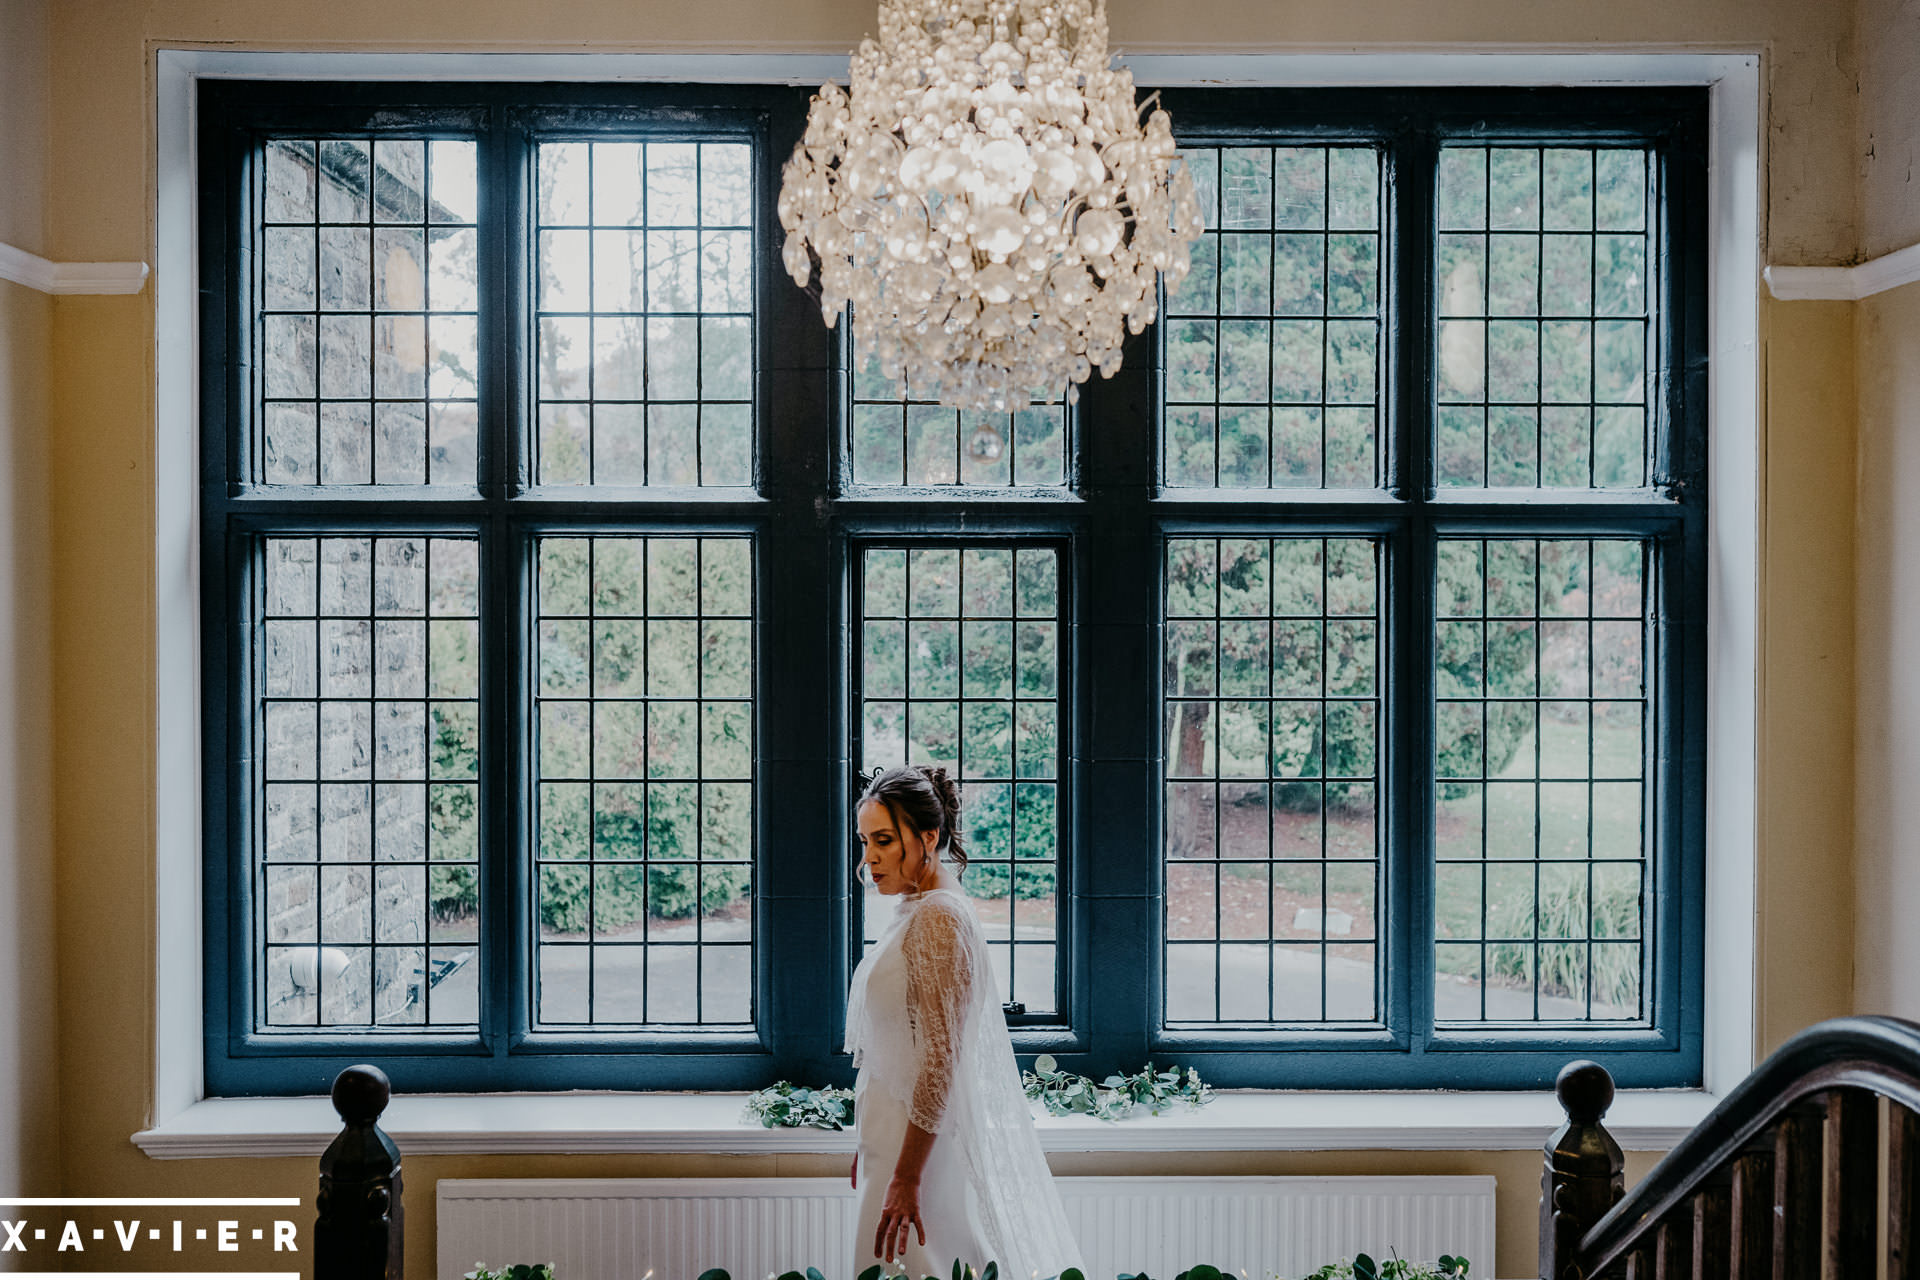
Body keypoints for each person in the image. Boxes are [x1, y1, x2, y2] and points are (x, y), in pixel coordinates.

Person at [844, 765, 1085, 1280]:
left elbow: (940, 1061)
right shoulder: (914, 907)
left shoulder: (939, 918)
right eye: (865, 841)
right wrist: (871, 1143)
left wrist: (907, 1177)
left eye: (884, 840)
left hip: (918, 1159)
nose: (868, 857)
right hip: (891, 1141)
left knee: (922, 1266)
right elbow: (899, 1048)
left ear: (928, 836)